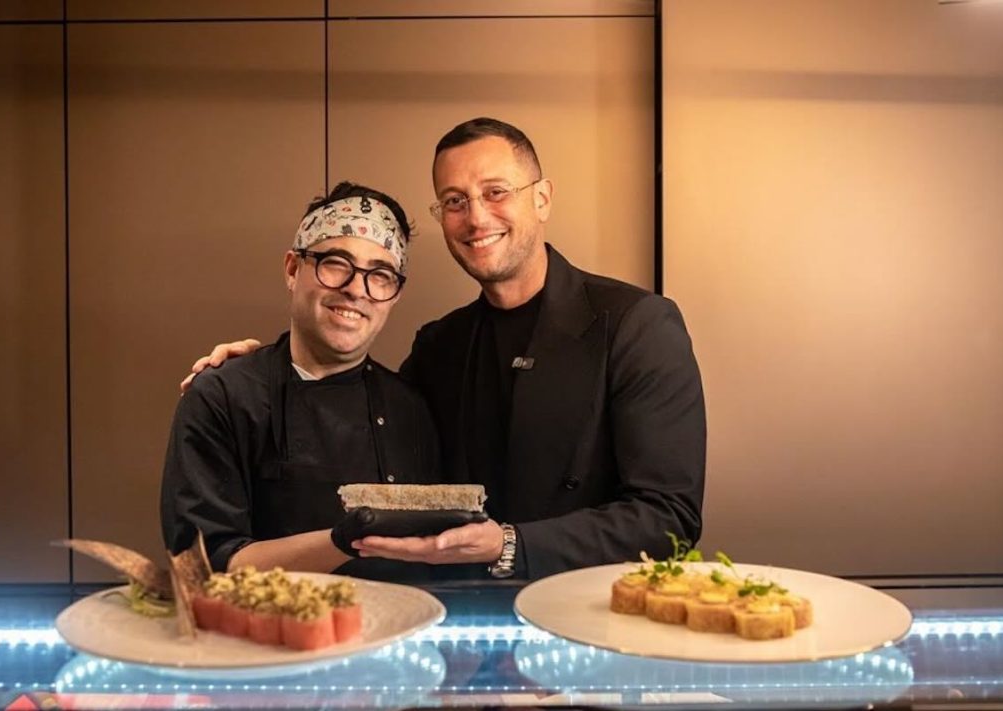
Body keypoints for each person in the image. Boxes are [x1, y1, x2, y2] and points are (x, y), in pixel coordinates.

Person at [183, 118, 706, 580]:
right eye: (455, 201)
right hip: (461, 616)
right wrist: (259, 371)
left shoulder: (635, 324)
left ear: (542, 198)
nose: (476, 218)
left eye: (496, 191)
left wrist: (511, 545)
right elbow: (351, 408)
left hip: (590, 617)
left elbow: (669, 517)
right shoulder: (440, 346)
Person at [161, 181, 447, 580]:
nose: (355, 289)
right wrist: (342, 540)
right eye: (336, 263)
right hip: (261, 620)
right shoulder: (223, 396)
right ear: (293, 269)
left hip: (400, 618)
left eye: (380, 274)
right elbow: (202, 564)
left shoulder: (410, 408)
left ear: (394, 294)